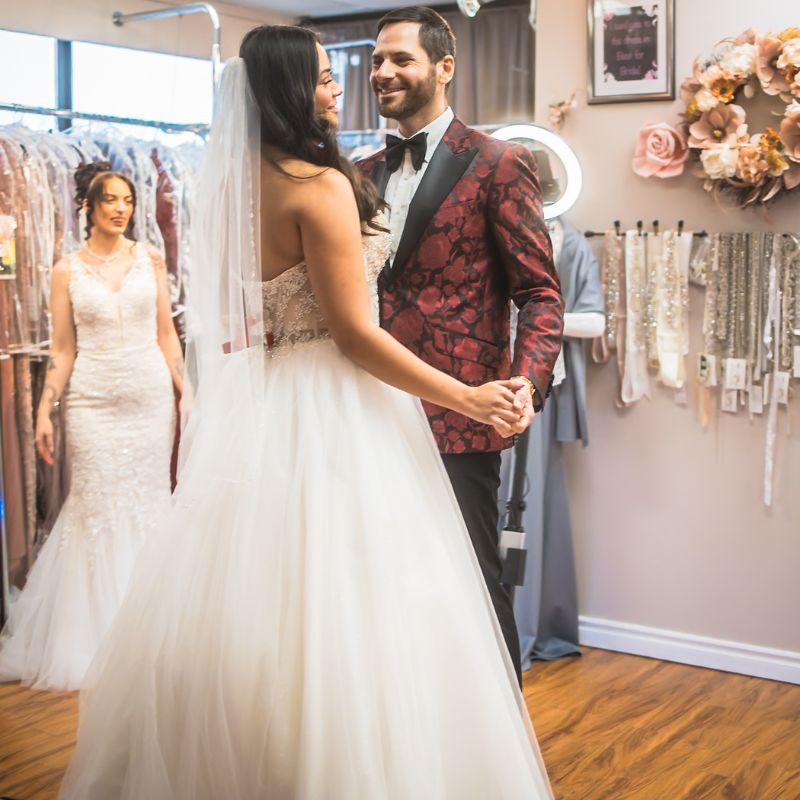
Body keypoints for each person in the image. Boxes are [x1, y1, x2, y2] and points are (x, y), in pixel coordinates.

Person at [60, 26, 553, 799]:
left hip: (273, 403)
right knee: (379, 603)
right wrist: (466, 394)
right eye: (328, 76)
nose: (344, 85)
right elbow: (356, 334)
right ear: (295, 87)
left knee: (266, 601)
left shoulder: (238, 184)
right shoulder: (326, 183)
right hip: (347, 403)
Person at [357, 7, 564, 683]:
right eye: (378, 60)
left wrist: (526, 386)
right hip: (364, 415)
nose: (383, 72)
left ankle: (502, 763)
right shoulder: (357, 172)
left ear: (445, 68)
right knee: (377, 587)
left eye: (401, 60)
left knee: (474, 586)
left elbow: (540, 294)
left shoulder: (502, 162)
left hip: (461, 419)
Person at [0, 162, 181, 691]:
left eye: (127, 199)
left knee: (149, 502)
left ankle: (152, 631)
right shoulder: (66, 270)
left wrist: (183, 386)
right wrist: (44, 406)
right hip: (92, 401)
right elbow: (61, 349)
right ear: (89, 207)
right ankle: (95, 638)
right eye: (111, 200)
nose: (122, 208)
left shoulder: (151, 258)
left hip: (149, 397)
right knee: (97, 505)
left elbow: (167, 333)